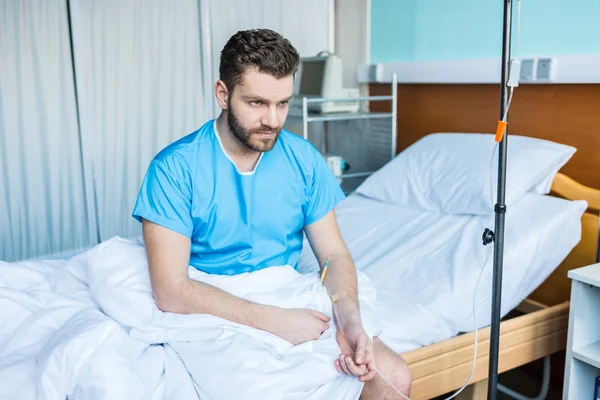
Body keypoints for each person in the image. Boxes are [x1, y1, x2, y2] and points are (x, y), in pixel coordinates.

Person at [132, 28, 411, 399]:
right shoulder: (174, 168)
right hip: (213, 302)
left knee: (393, 373)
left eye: (282, 103)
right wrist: (273, 321)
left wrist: (350, 321)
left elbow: (333, 255)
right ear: (223, 94)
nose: (273, 120)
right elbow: (170, 290)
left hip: (282, 290)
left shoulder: (303, 160)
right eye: (257, 103)